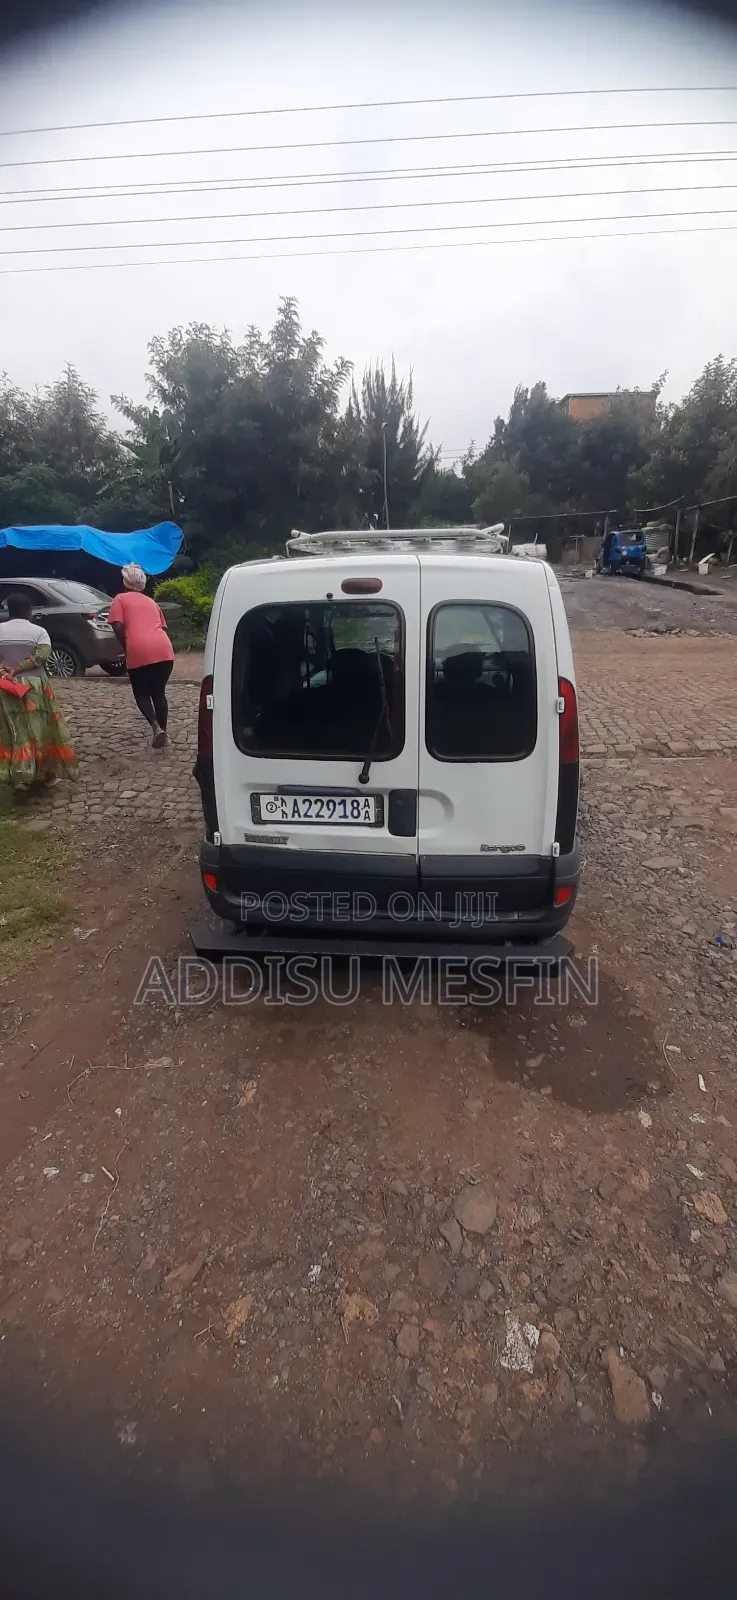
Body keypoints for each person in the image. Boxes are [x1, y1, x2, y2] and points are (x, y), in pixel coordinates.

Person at [0, 593, 78, 790]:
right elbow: (42, 656)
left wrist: (6, 671)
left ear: (9, 611)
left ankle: (18, 775)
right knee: (41, 727)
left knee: (13, 728)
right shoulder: (39, 632)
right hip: (34, 686)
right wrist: (18, 668)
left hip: (6, 685)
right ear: (29, 611)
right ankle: (45, 774)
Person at [108, 564, 175, 749]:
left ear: (125, 583)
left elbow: (117, 626)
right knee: (159, 692)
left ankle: (156, 727)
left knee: (141, 692)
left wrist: (126, 646)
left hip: (138, 649)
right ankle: (163, 732)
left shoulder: (120, 599)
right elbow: (161, 627)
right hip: (164, 650)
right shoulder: (151, 602)